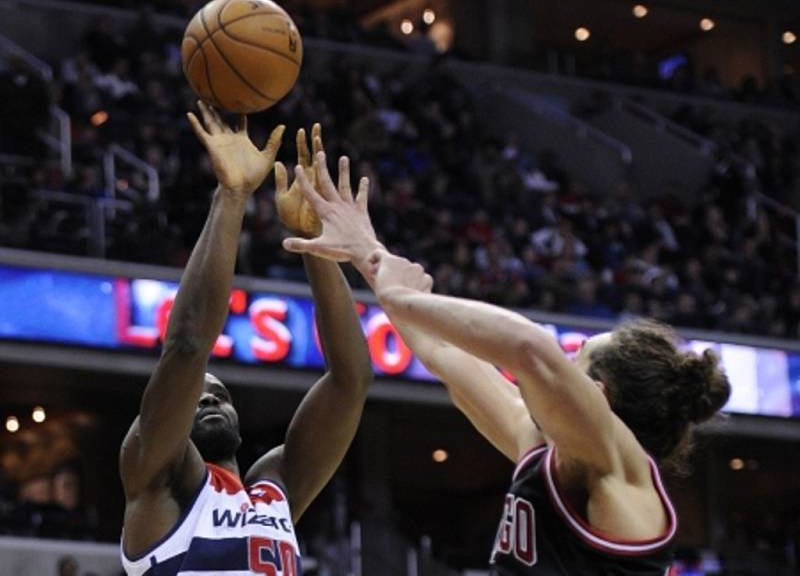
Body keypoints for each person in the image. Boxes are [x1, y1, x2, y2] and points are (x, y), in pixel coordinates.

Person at [281, 155, 732, 575]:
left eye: (574, 362)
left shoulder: (623, 470)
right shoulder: (543, 445)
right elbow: (444, 353)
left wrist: (402, 296)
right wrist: (369, 255)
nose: (559, 368)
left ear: (597, 395)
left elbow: (529, 349)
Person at [119, 106, 374, 575]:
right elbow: (190, 346)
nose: (208, 400)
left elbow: (351, 379)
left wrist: (311, 243)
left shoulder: (276, 486)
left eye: (219, 395)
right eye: (196, 395)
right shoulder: (156, 477)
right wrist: (231, 197)